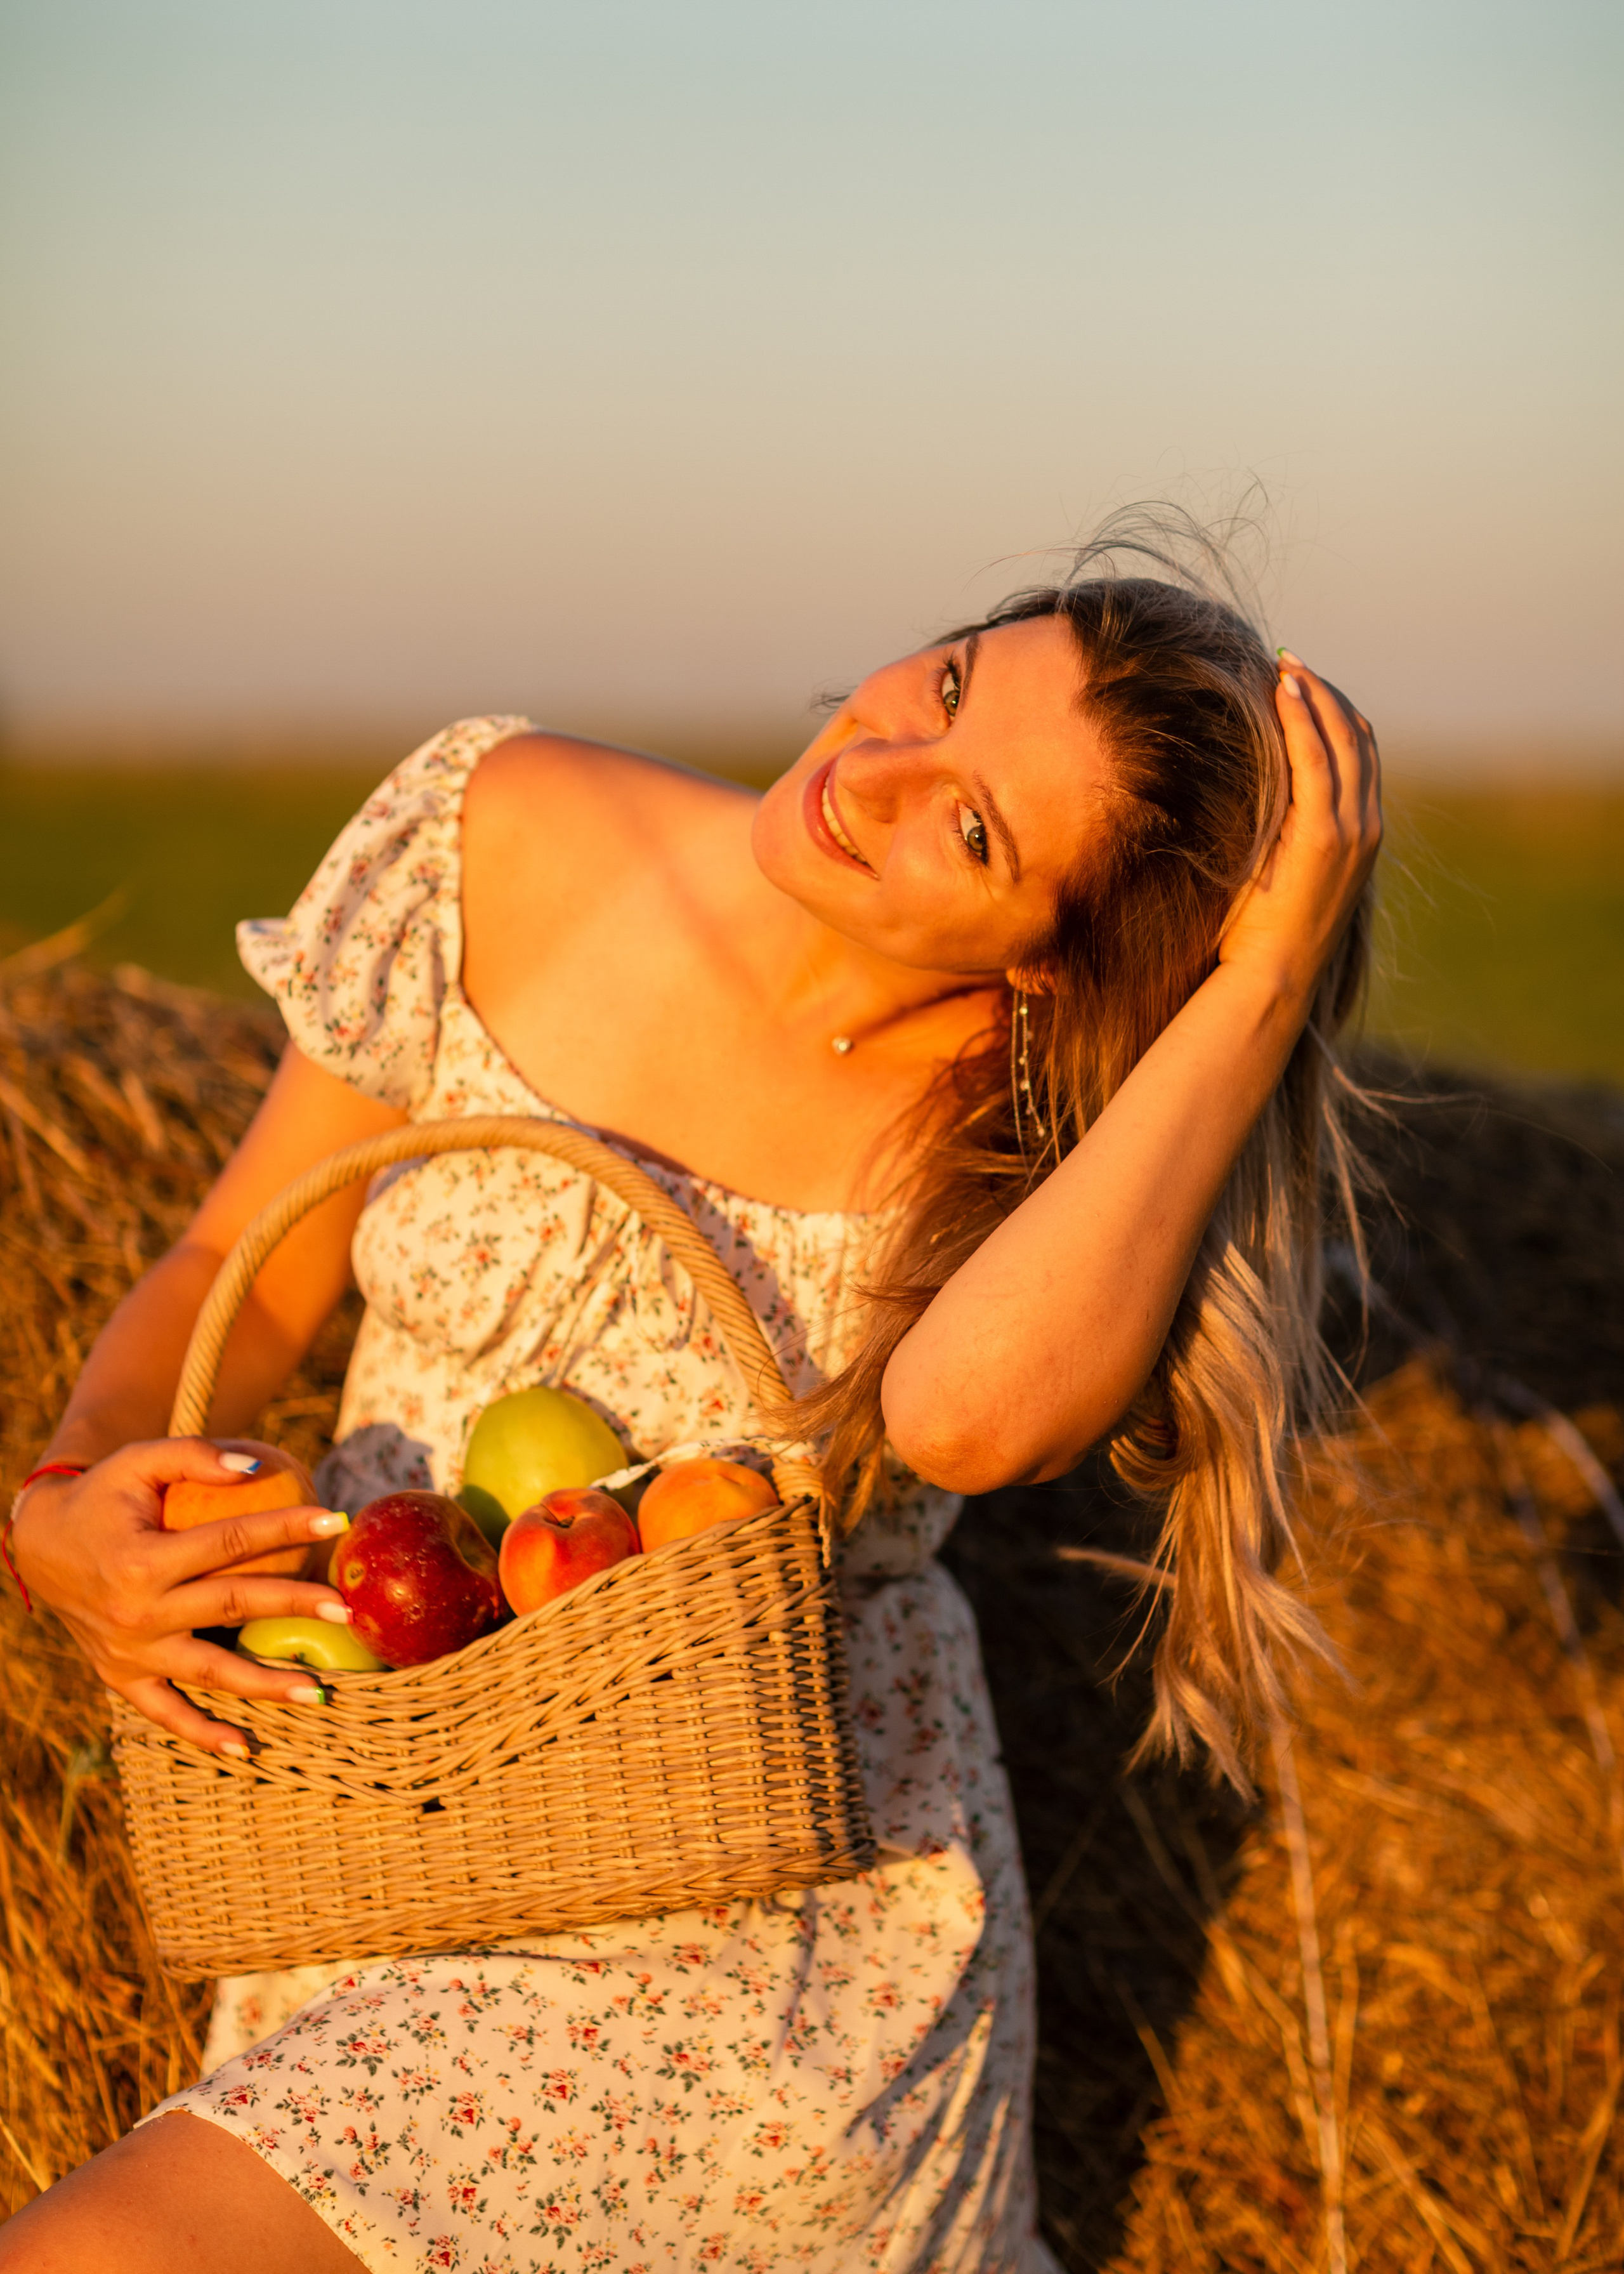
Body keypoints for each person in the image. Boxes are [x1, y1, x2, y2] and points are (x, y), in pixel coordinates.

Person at [0, 524, 1380, 2274]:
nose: (876, 771)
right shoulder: (498, 826)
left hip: (751, 1926)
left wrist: (1255, 989)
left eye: (973, 830)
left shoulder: (1040, 1137)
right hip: (374, 1815)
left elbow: (961, 1424)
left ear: (1048, 961)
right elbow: (237, 1266)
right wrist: (67, 1502)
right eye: (947, 685)